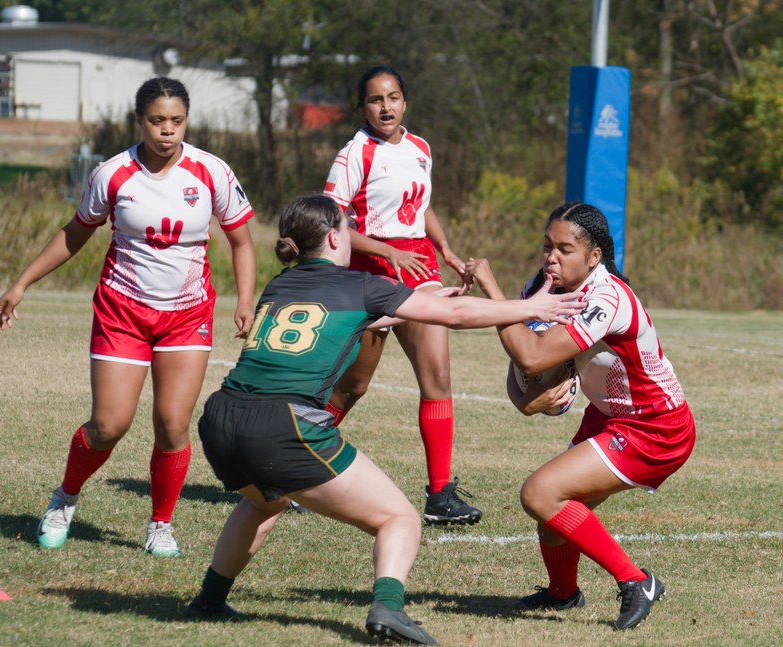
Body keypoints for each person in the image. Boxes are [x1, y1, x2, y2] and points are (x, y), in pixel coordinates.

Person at [186, 195, 583, 644]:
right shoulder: (360, 285)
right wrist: (532, 308)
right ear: (336, 237)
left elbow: (370, 316)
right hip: (283, 427)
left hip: (221, 419)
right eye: (348, 228)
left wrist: (433, 298)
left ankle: (208, 600)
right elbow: (452, 317)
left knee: (264, 502)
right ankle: (389, 610)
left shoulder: (280, 286)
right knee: (399, 519)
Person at [0, 77, 256, 557]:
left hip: (186, 315)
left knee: (173, 426)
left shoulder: (211, 171)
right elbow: (76, 233)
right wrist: (21, 282)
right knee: (109, 425)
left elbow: (241, 240)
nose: (167, 131)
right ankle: (64, 499)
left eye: (176, 121)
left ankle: (160, 524)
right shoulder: (112, 173)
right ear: (140, 121)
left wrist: (243, 301)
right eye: (157, 121)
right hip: (122, 313)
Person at [465, 202, 696, 631]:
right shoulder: (543, 288)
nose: (552, 257)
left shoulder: (604, 297)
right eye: (547, 246)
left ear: (594, 257)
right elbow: (525, 382)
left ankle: (636, 581)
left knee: (540, 493)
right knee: (553, 515)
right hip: (610, 418)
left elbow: (531, 355)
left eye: (565, 249)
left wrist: (492, 291)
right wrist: (531, 393)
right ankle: (562, 595)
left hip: (655, 426)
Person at [323, 65, 479, 526]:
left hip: (420, 268)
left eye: (393, 97)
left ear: (405, 101)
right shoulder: (354, 154)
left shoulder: (420, 148)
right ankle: (294, 462)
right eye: (375, 100)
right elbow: (332, 221)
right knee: (353, 385)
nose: (385, 107)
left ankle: (440, 493)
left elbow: (422, 205)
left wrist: (445, 248)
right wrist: (387, 251)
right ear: (363, 107)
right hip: (370, 269)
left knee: (438, 376)